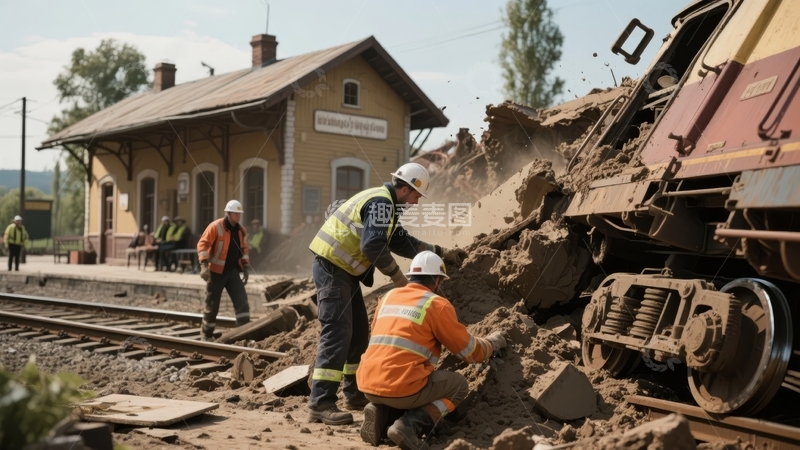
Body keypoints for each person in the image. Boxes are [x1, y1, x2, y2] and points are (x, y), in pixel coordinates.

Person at [306, 162, 467, 426]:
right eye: (416, 196)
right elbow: (372, 245)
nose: (415, 203)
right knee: (338, 331)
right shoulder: (382, 203)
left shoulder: (386, 205)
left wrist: (439, 251)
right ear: (406, 189)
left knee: (358, 334)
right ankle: (320, 402)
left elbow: (401, 240)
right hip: (333, 269)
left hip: (343, 273)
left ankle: (354, 393)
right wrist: (400, 279)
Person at [356, 251, 507, 449]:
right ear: (437, 280)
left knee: (409, 382)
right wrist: (493, 343)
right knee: (458, 386)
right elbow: (470, 353)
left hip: (368, 383)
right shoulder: (436, 304)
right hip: (402, 388)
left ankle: (384, 413)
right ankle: (409, 426)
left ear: (411, 277)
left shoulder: (387, 298)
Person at [197, 200, 251, 341]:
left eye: (239, 214)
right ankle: (207, 334)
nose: (238, 216)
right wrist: (203, 265)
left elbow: (244, 250)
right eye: (235, 213)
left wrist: (245, 267)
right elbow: (203, 244)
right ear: (228, 213)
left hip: (232, 271)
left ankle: (243, 333)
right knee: (212, 304)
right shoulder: (216, 227)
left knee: (241, 301)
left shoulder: (241, 230)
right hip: (215, 272)